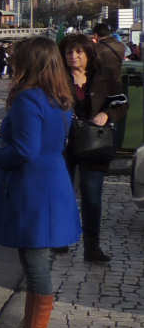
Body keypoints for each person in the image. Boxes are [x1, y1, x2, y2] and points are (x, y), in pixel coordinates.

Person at [0, 37, 80, 328]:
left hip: (34, 190)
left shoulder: (28, 98)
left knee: (35, 266)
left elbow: (24, 151)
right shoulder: (59, 98)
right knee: (39, 264)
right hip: (51, 184)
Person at [59, 33, 126, 263]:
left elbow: (121, 102)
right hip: (65, 144)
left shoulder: (104, 75)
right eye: (69, 52)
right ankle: (61, 237)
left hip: (94, 143)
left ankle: (92, 247)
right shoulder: (58, 78)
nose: (73, 56)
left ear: (88, 54)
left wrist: (106, 114)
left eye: (79, 52)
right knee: (63, 193)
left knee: (92, 196)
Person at [91, 23, 128, 151]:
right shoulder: (120, 45)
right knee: (117, 110)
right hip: (118, 82)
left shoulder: (97, 49)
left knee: (101, 116)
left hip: (102, 85)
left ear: (96, 35)